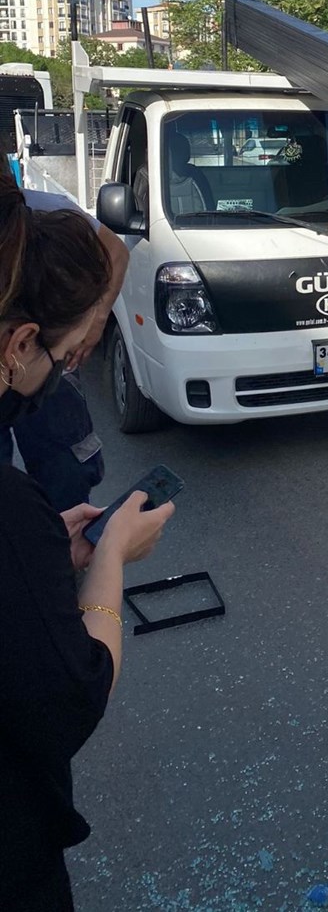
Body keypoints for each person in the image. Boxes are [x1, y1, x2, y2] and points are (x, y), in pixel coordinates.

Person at [0, 181, 174, 909]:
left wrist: (48, 555)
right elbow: (73, 694)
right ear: (18, 343)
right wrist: (107, 560)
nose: (69, 372)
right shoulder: (12, 512)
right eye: (66, 358)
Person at [0, 167, 129, 513]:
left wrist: (93, 321)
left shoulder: (46, 209)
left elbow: (116, 252)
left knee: (66, 471)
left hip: (38, 365)